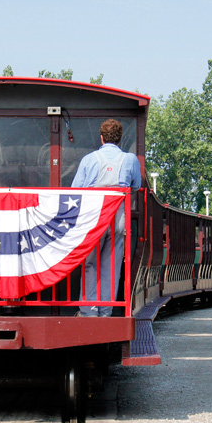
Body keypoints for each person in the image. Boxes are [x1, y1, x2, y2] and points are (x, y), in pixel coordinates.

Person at [72, 119, 142, 317]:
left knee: (90, 265)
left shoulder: (89, 160)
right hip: (118, 217)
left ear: (101, 138)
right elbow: (136, 185)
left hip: (94, 219)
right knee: (111, 267)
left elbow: (75, 189)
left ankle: (89, 312)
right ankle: (106, 312)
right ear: (120, 139)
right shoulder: (130, 160)